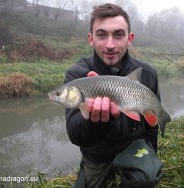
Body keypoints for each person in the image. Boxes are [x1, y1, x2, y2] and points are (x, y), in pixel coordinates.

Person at [64, 3, 164, 188]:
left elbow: (153, 123)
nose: (110, 45)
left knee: (146, 178)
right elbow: (75, 134)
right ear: (91, 39)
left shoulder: (147, 73)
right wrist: (94, 123)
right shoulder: (77, 76)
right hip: (97, 154)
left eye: (118, 35)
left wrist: (152, 153)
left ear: (129, 38)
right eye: (102, 35)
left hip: (133, 148)